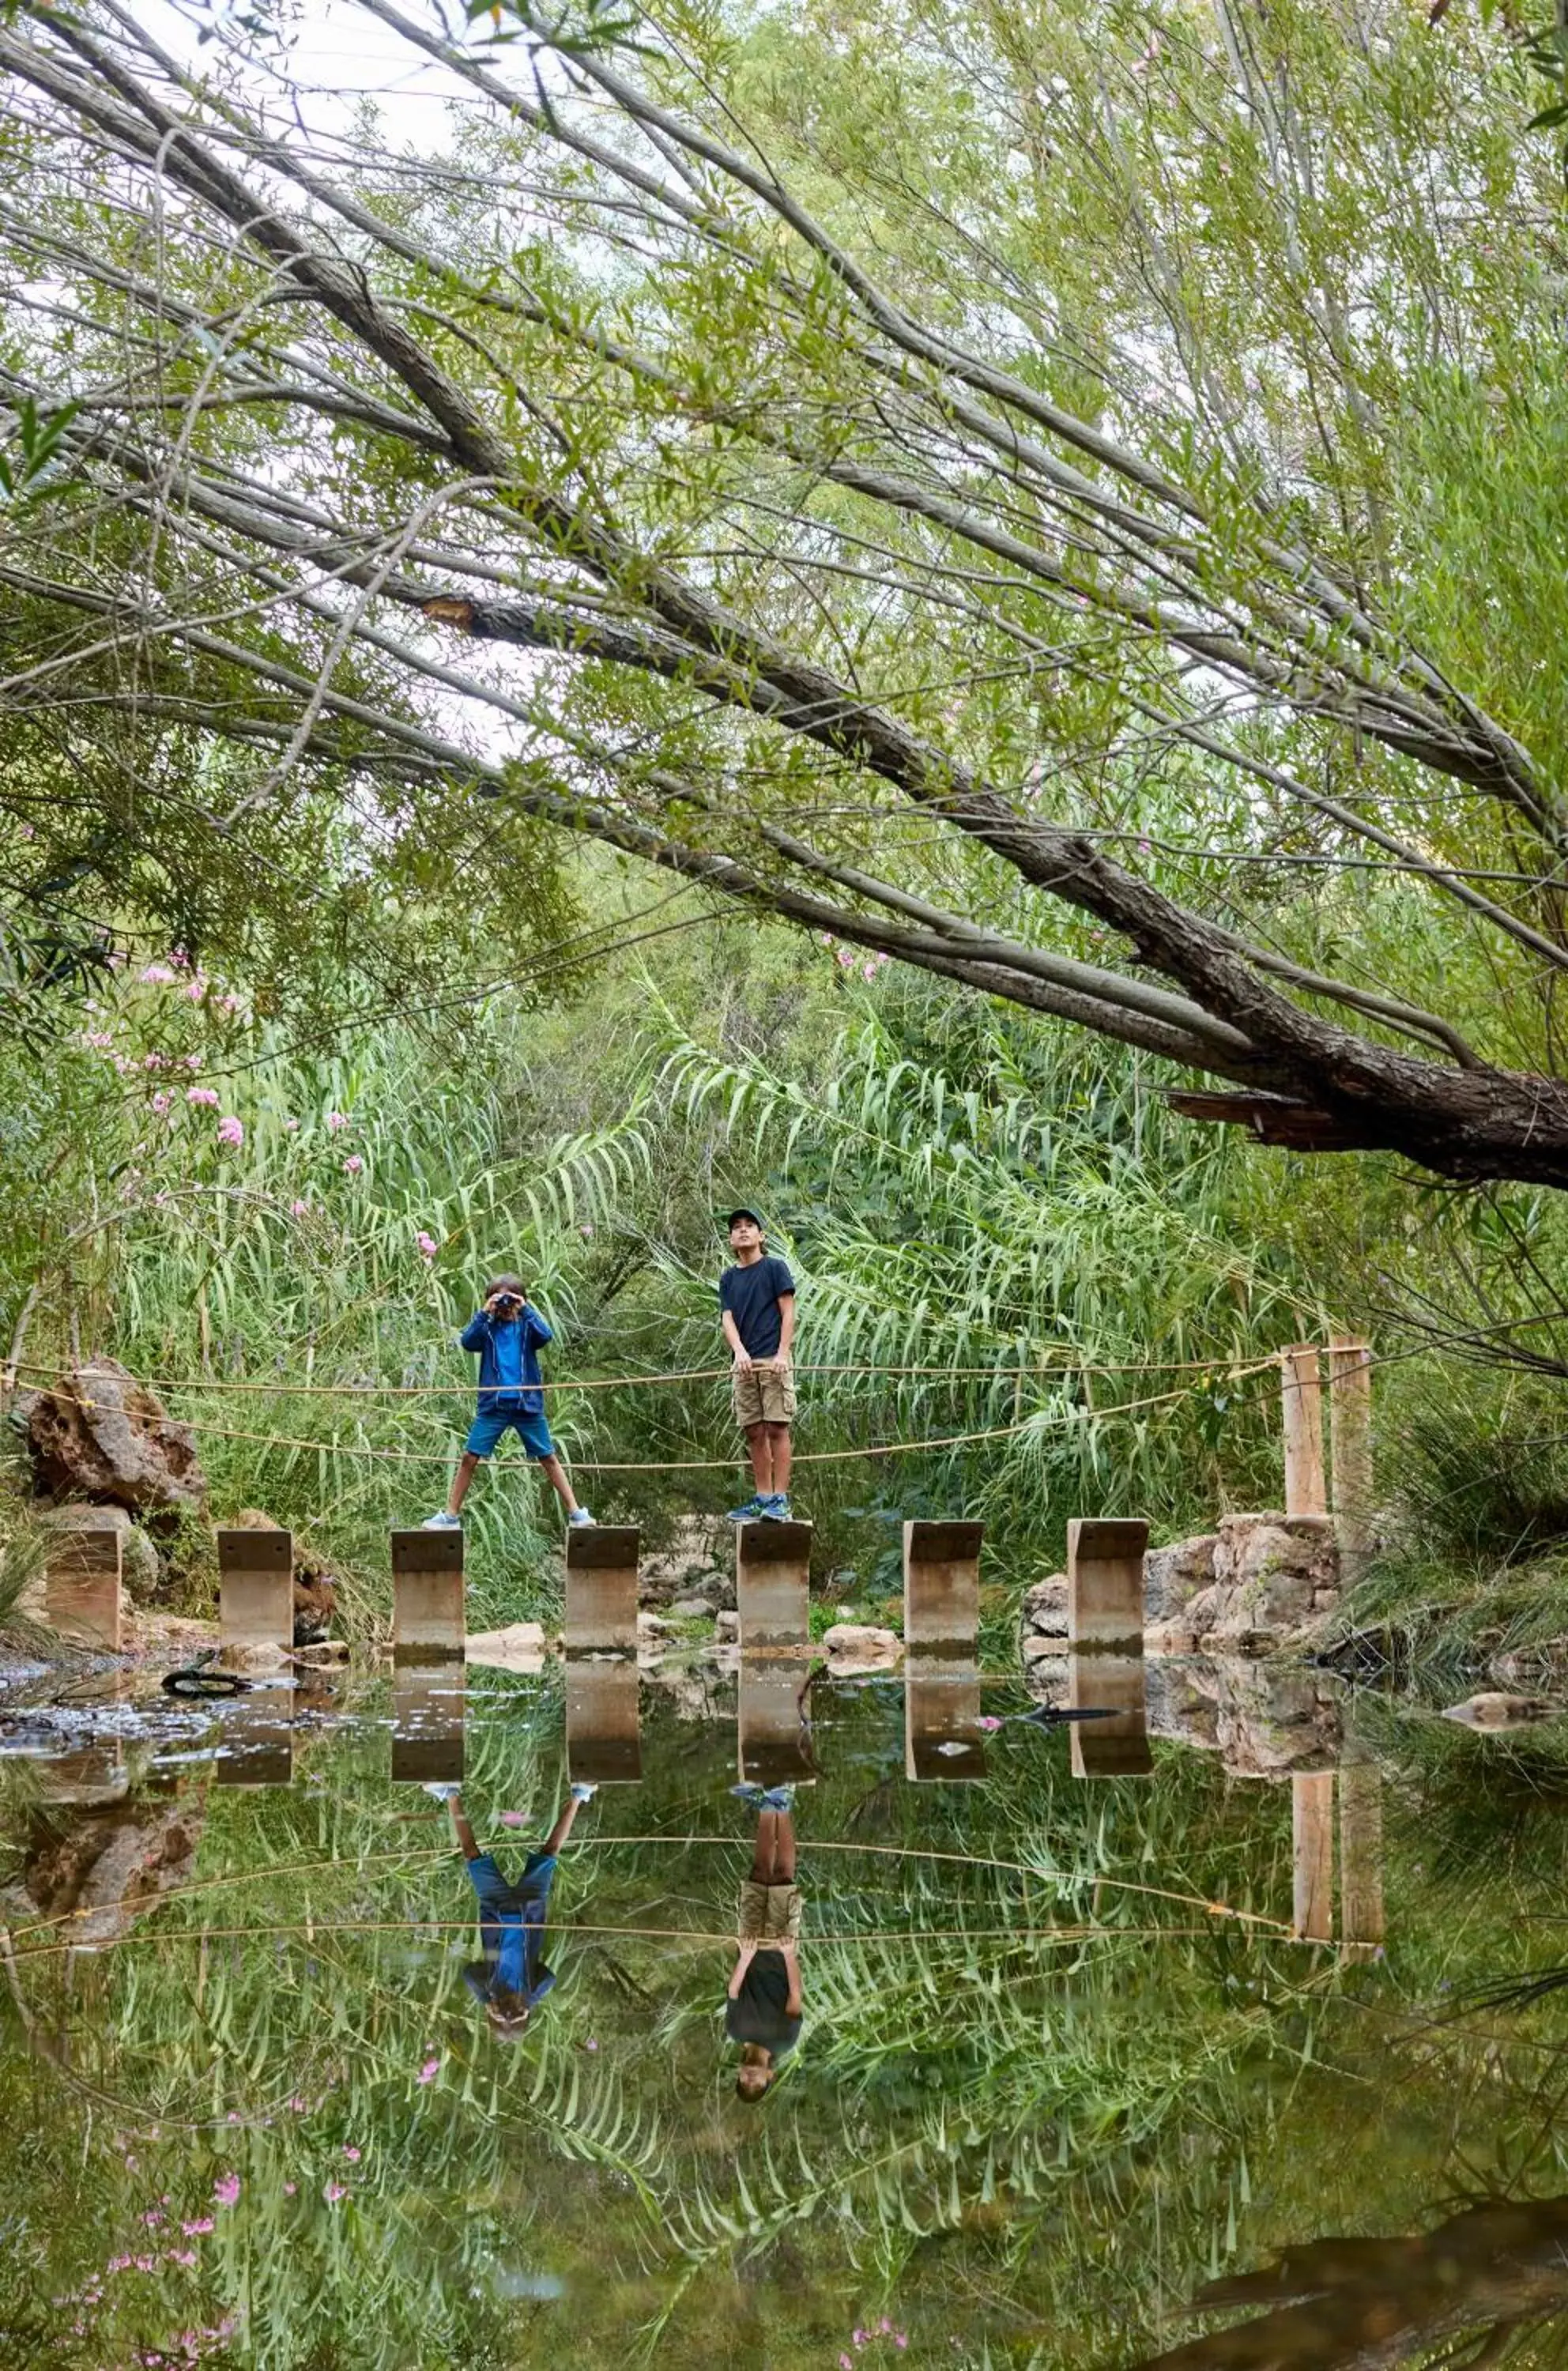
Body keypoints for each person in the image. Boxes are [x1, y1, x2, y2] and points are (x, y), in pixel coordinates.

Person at [428, 1781, 597, 2039]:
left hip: (495, 1909)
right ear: (523, 2014)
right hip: (529, 1909)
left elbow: (469, 1974)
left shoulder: (489, 1988)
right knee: (550, 1852)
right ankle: (579, 1796)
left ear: (493, 2015)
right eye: (514, 2015)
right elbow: (550, 1978)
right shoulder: (530, 1992)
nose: (508, 2011)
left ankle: (451, 1794)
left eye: (502, 2016)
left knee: (472, 1855)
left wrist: (486, 2001)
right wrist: (528, 2005)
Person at [424, 1272, 594, 1530]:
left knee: (548, 1457)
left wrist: (524, 1310)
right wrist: (484, 1312)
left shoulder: (527, 1327)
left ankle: (575, 1513)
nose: (504, 1306)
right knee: (469, 1457)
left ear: (520, 1301)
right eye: (499, 1300)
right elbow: (467, 1342)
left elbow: (546, 1336)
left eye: (509, 1300)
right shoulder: (487, 1329)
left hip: (527, 1405)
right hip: (494, 1406)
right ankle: (450, 1516)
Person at [726, 1783, 804, 2100]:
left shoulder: (736, 2031)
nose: (750, 2078)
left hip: (750, 1947)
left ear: (739, 2074)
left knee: (759, 1873)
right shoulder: (784, 2041)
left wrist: (744, 1957)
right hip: (779, 1949)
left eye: (744, 2082)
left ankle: (765, 1805)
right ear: (770, 2076)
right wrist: (788, 1953)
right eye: (757, 2084)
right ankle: (782, 1805)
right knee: (783, 1875)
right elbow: (795, 1994)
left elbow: (733, 1991)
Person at [718, 1209, 797, 1521]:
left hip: (773, 1357)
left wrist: (782, 1354)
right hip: (745, 1362)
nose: (743, 1231)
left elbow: (788, 1313)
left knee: (777, 1426)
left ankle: (780, 1499)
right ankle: (762, 1498)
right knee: (753, 1430)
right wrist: (738, 1352)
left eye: (750, 1226)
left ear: (761, 1235)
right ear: (731, 1239)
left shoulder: (775, 1268)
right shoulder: (729, 1278)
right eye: (737, 1228)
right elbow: (727, 1318)